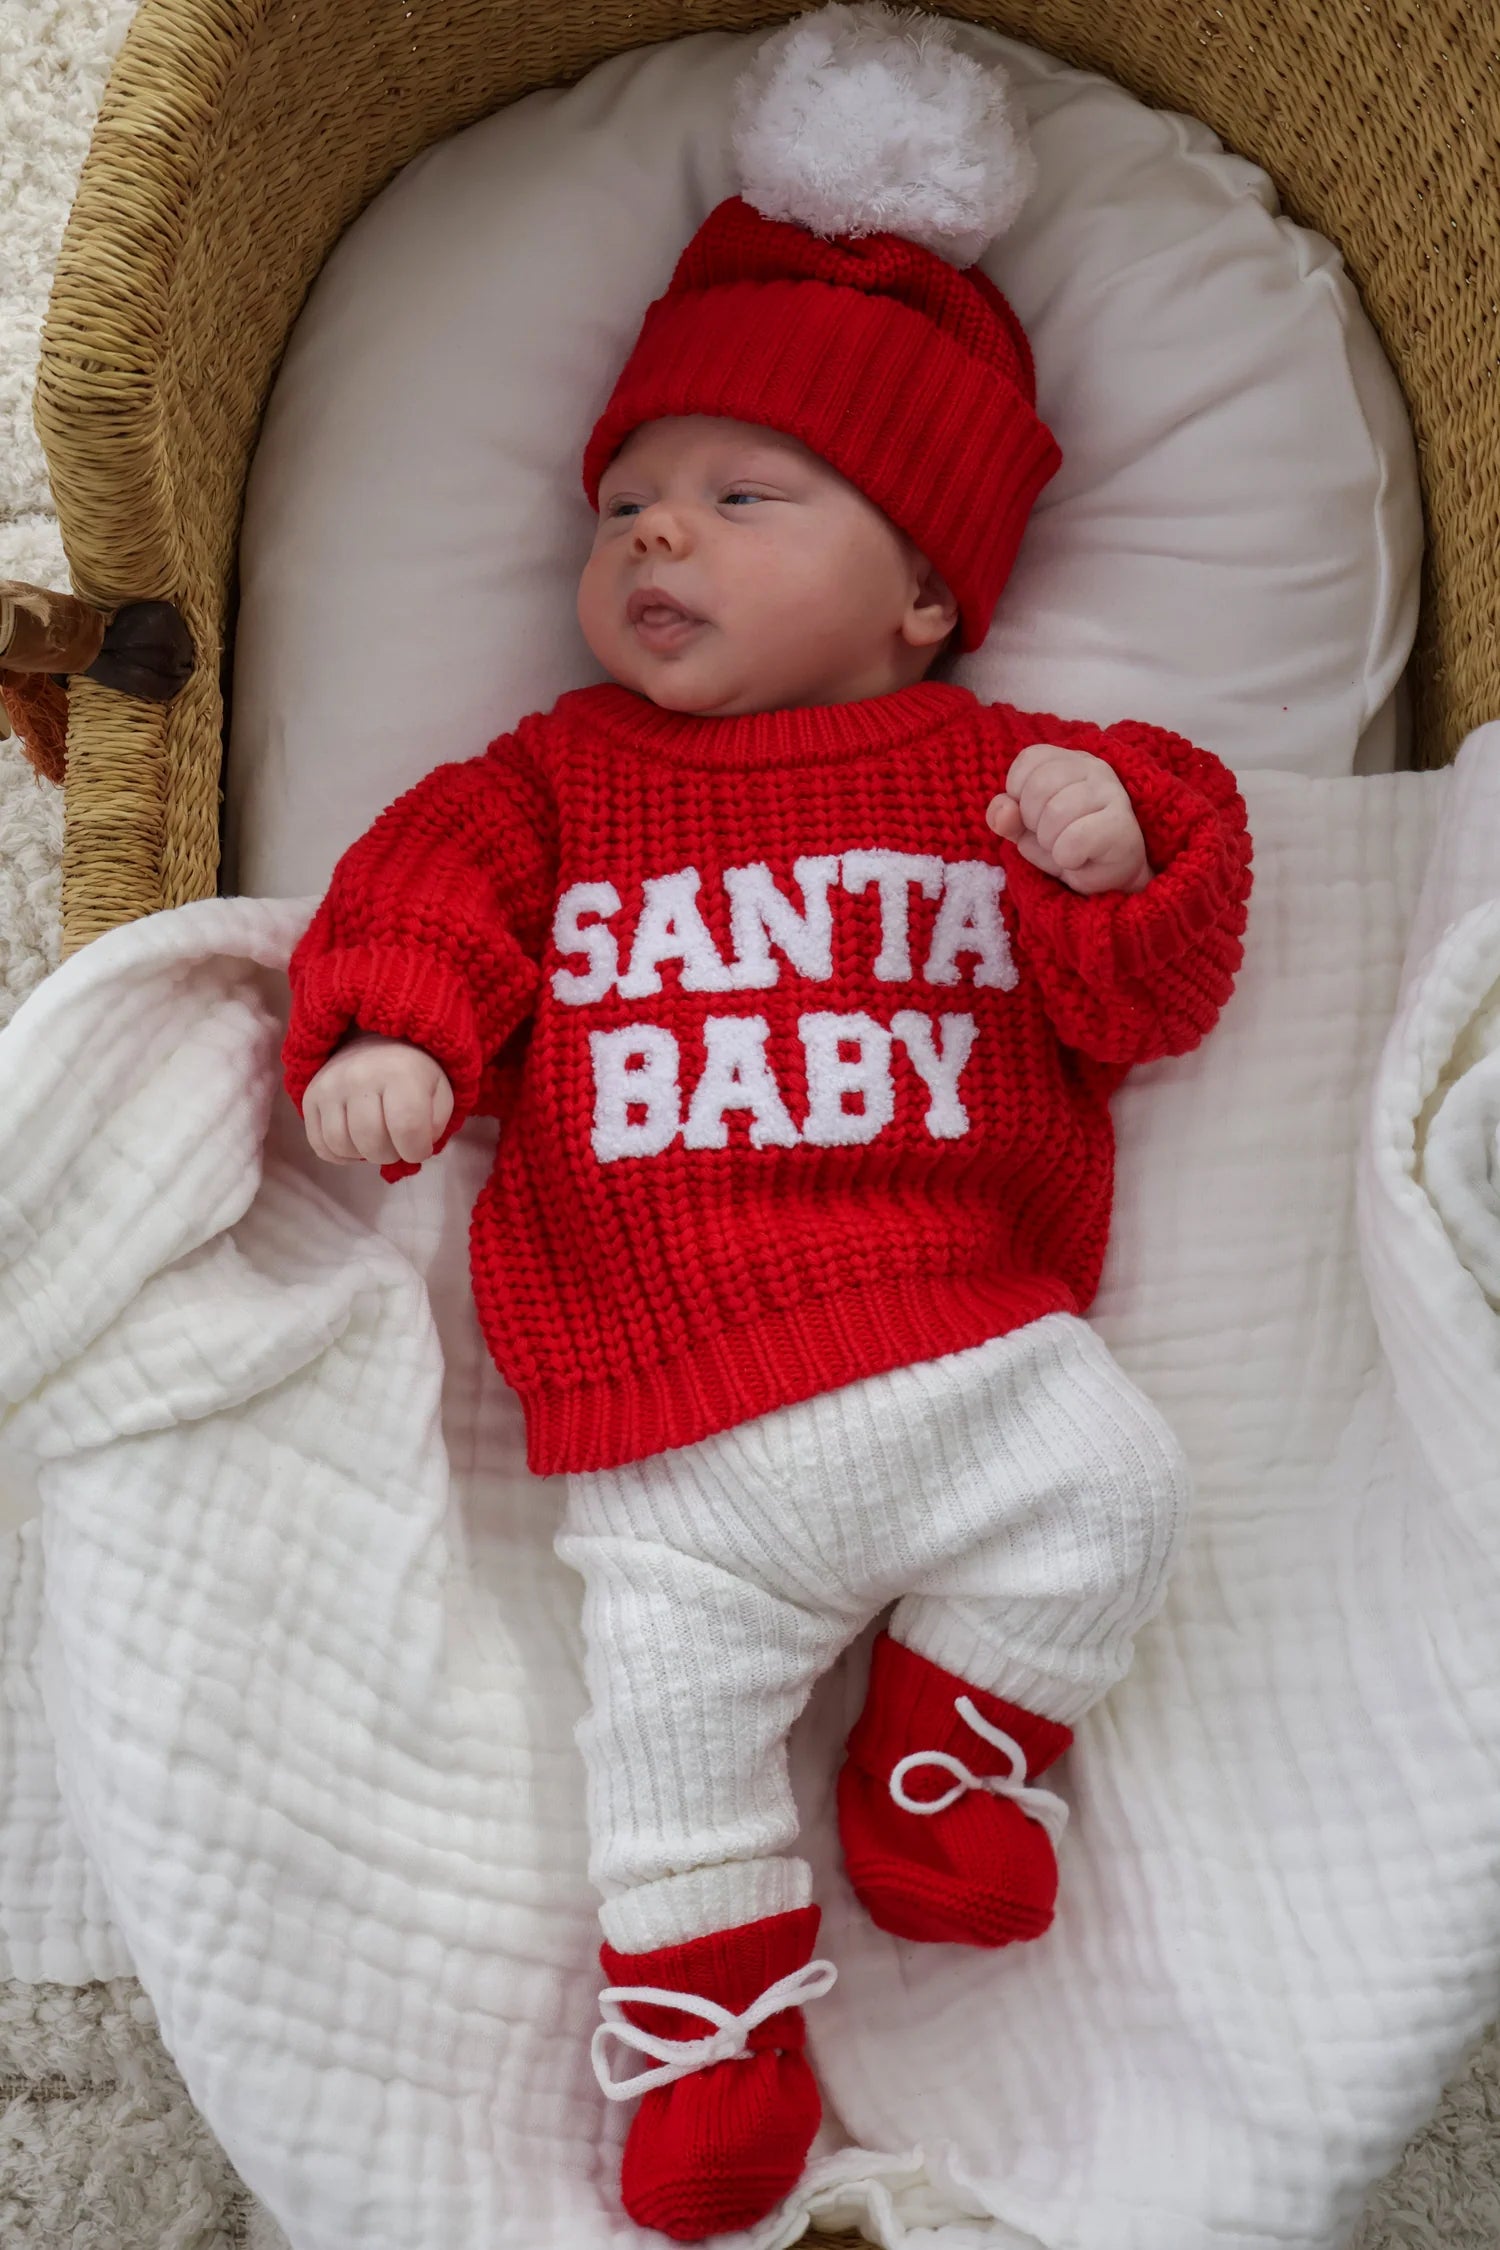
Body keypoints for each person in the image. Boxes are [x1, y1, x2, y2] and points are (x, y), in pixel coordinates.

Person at [280, 4, 1253, 2236]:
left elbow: (1156, 996)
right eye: (626, 500)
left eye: (742, 498)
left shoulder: (1007, 771)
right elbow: (420, 887)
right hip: (674, 1414)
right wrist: (397, 1031)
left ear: (925, 587)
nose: (657, 533)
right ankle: (711, 2036)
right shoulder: (558, 778)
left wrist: (1125, 851)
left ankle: (947, 1753)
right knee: (665, 1736)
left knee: (1121, 1496)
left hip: (970, 1346)